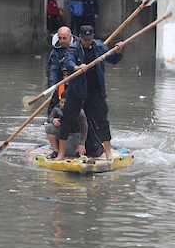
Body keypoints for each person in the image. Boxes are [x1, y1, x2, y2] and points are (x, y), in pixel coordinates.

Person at [56, 25, 123, 161]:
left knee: (102, 121)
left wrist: (117, 51)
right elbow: (69, 63)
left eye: (89, 39)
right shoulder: (74, 48)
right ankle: (61, 153)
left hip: (95, 91)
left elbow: (113, 60)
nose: (87, 42)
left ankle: (108, 152)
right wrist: (77, 67)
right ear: (80, 37)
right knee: (67, 120)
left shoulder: (99, 47)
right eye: (85, 39)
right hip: (77, 91)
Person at [44, 90, 88, 159]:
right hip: (61, 131)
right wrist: (53, 120)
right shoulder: (57, 108)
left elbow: (84, 127)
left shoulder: (79, 112)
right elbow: (49, 118)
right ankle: (56, 150)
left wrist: (82, 143)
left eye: (65, 103)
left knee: (69, 152)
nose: (63, 105)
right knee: (49, 127)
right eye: (61, 102)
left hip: (74, 134)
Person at [46, 26, 74, 115]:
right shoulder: (55, 52)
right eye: (60, 38)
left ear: (70, 37)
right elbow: (52, 70)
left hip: (75, 82)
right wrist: (52, 87)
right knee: (54, 104)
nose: (62, 41)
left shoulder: (78, 47)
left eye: (64, 38)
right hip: (60, 82)